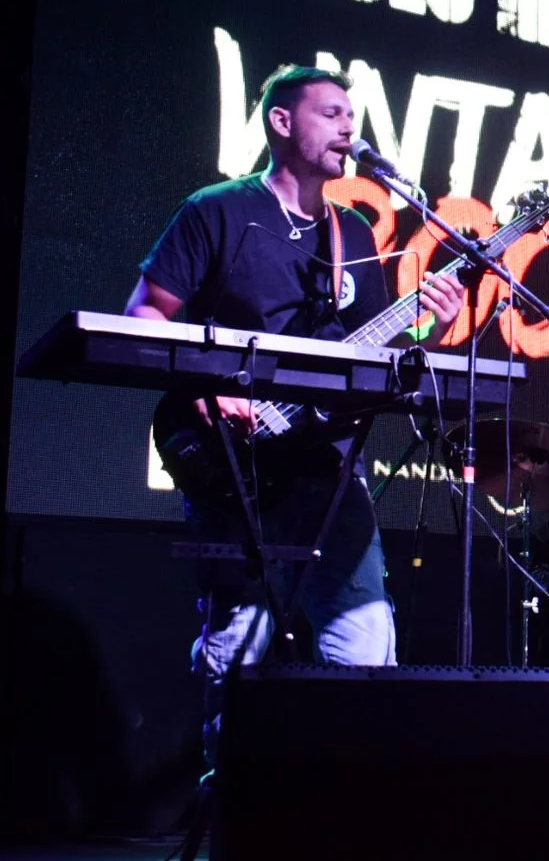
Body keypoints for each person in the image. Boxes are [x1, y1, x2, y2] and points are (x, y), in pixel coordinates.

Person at [124, 64, 465, 762]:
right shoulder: (215, 210)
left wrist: (431, 326)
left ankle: (338, 815)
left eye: (353, 114)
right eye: (333, 113)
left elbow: (374, 348)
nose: (350, 128)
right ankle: (234, 811)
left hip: (332, 470)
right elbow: (144, 314)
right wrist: (208, 384)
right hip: (235, 461)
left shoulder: (353, 234)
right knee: (238, 653)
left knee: (365, 650)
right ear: (282, 123)